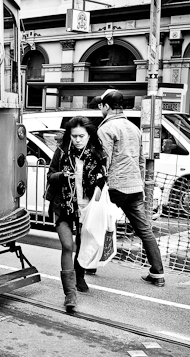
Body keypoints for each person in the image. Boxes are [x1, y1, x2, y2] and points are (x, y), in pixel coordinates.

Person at [95, 88, 165, 287]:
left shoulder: (106, 129)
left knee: (95, 224)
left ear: (107, 106)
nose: (101, 109)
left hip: (114, 187)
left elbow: (104, 161)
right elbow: (141, 160)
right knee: (144, 230)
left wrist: (99, 184)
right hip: (134, 186)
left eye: (101, 105)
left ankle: (87, 266)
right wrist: (140, 182)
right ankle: (158, 273)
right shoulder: (133, 128)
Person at [47, 116, 107, 311]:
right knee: (67, 245)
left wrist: (100, 184)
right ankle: (69, 294)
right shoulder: (62, 152)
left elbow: (104, 178)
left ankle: (79, 275)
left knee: (82, 246)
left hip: (87, 208)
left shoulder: (98, 155)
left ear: (89, 135)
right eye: (74, 136)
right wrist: (62, 176)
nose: (78, 140)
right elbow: (50, 175)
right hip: (63, 206)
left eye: (82, 136)